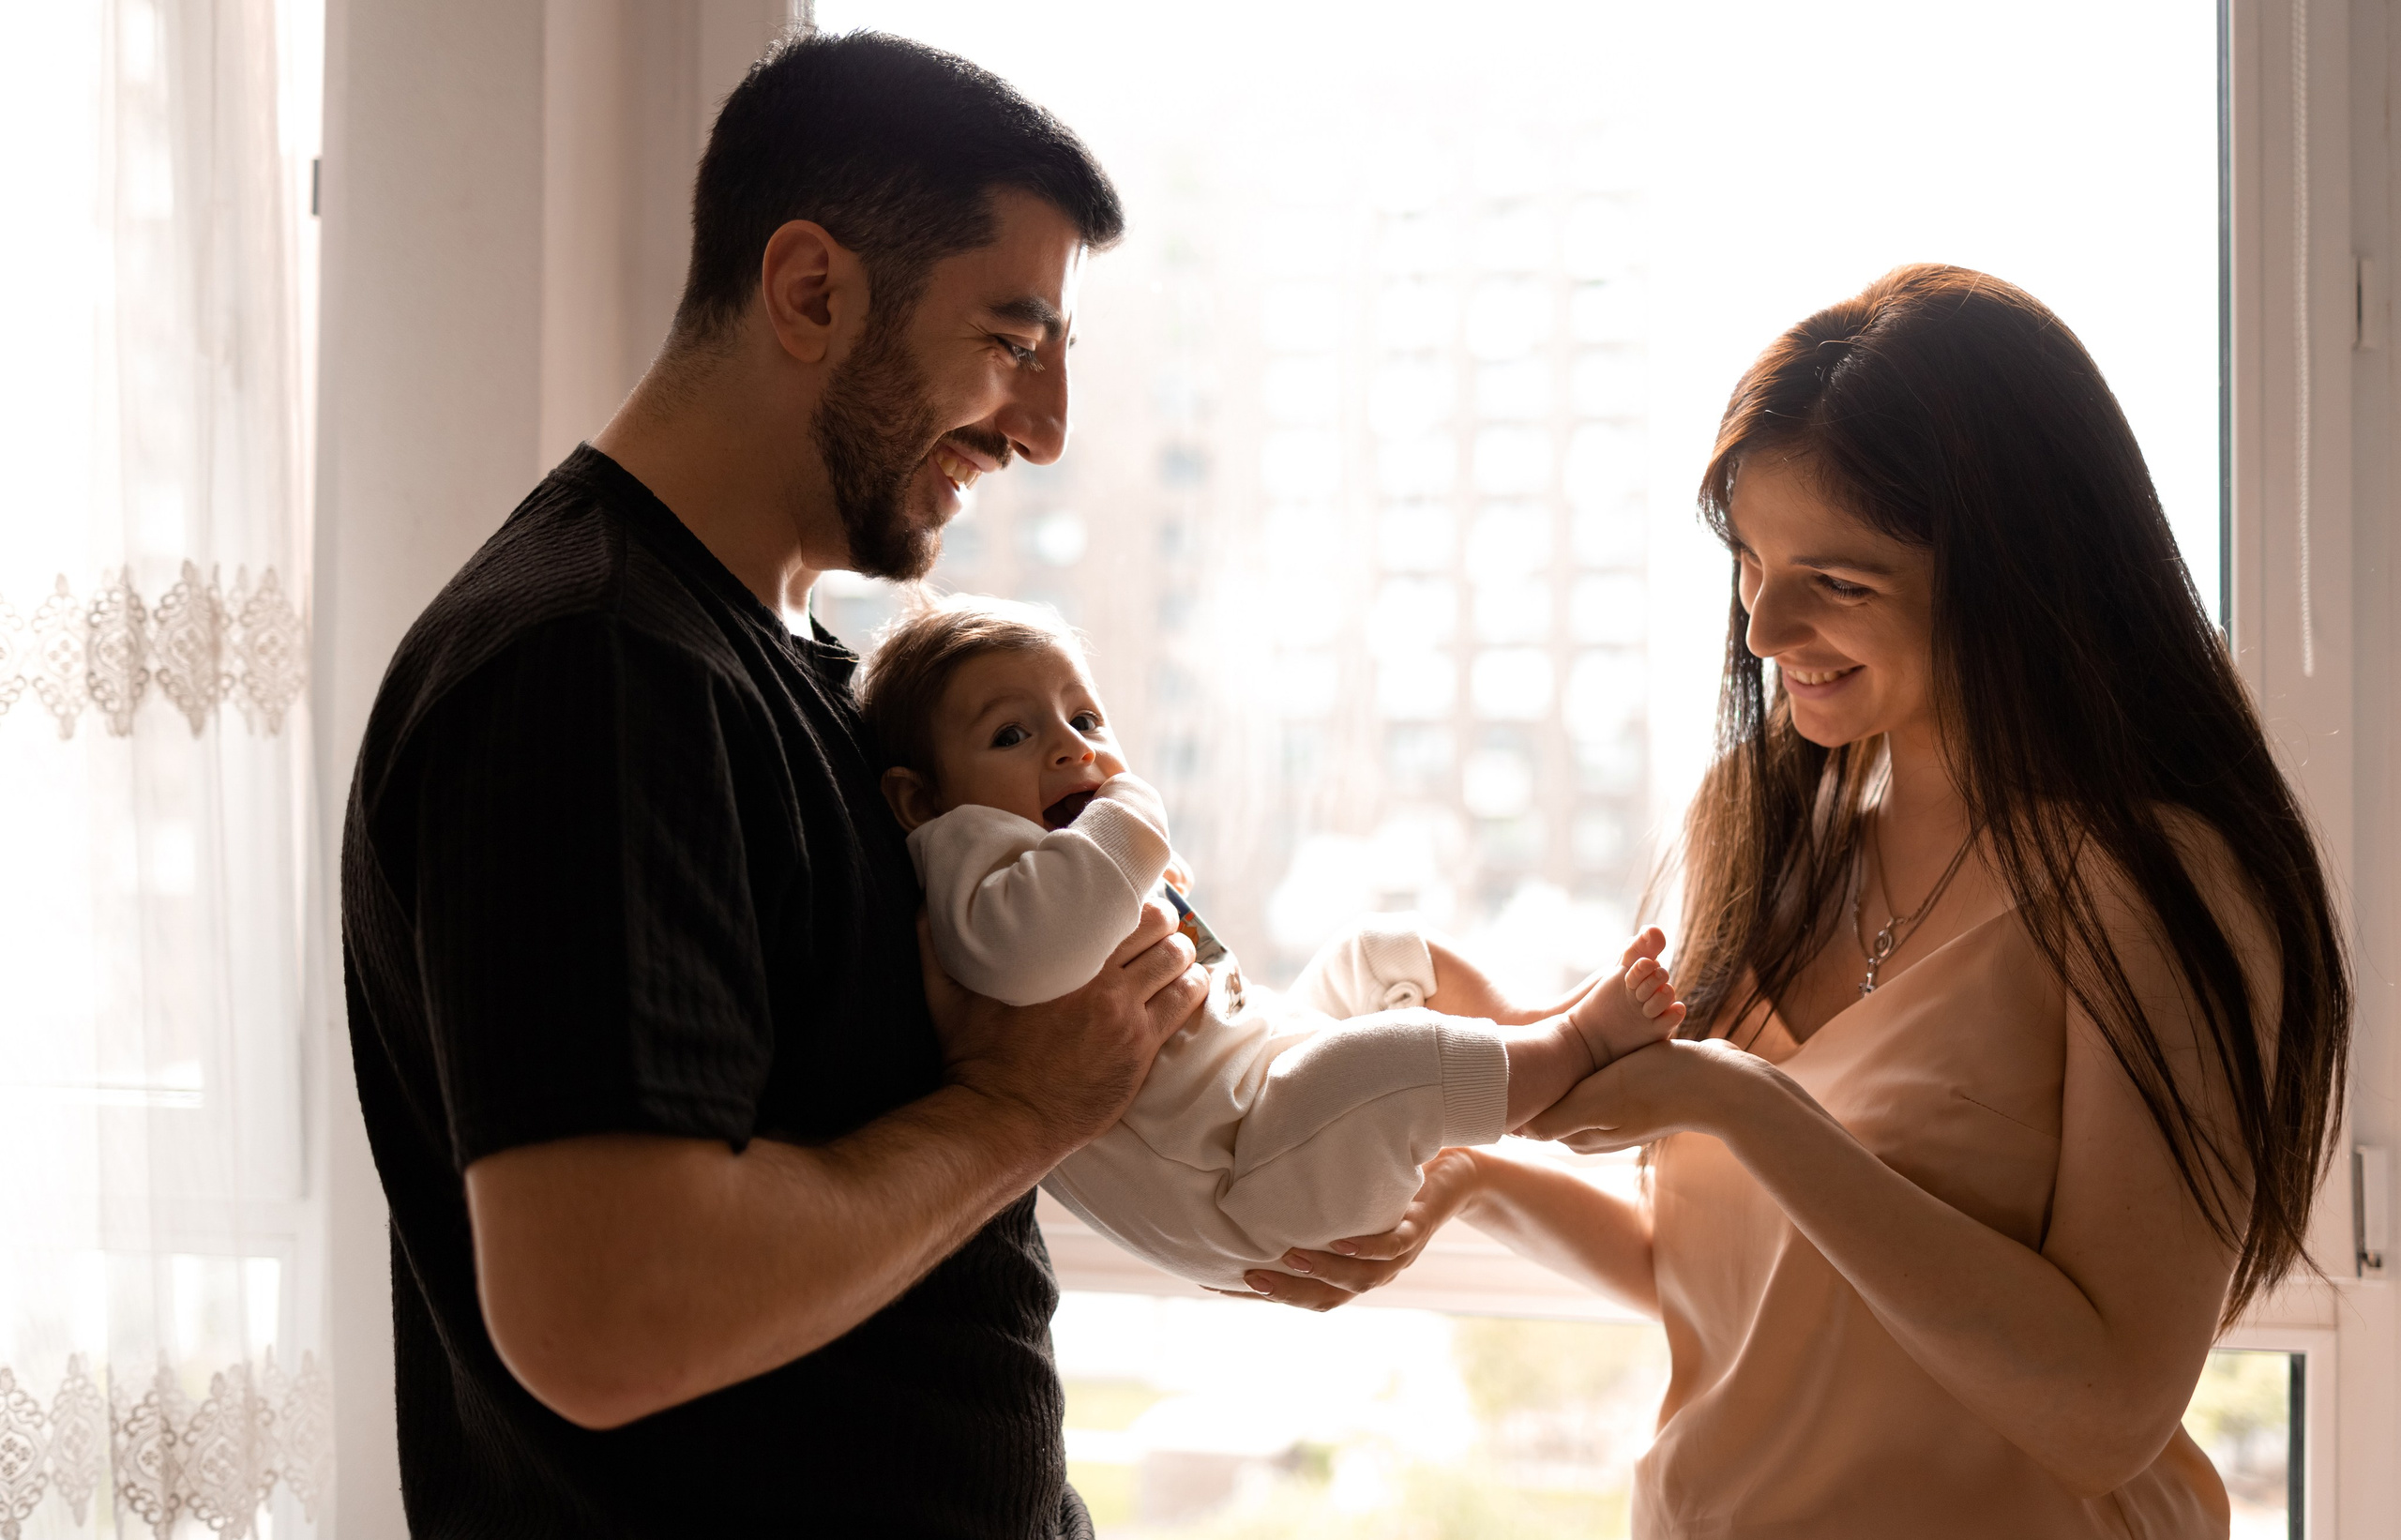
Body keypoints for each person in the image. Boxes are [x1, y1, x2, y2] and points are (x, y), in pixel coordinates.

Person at [1235, 265, 2350, 1538]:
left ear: (2019, 576)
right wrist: (1472, 1180)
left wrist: (1736, 1098)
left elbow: (2104, 1411)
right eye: (1753, 561)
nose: (1764, 627)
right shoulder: (1763, 827)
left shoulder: (2149, 883)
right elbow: (1724, 1269)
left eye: (1838, 578)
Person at [340, 31, 1209, 1538]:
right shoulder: (590, 670)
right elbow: (607, 1317)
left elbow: (850, 1155)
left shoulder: (795, 667)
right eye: (1013, 341)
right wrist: (1021, 1105)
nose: (1045, 431)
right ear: (811, 290)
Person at [856, 594, 1684, 1290]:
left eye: (1082, 717)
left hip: (1258, 1086)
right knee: (1393, 1061)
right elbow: (1046, 944)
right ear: (919, 801)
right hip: (1236, 1174)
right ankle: (1568, 1049)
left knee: (1378, 949)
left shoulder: (1051, 856)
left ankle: (1522, 1035)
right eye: (1012, 735)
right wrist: (1132, 813)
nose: (1073, 748)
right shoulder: (967, 863)